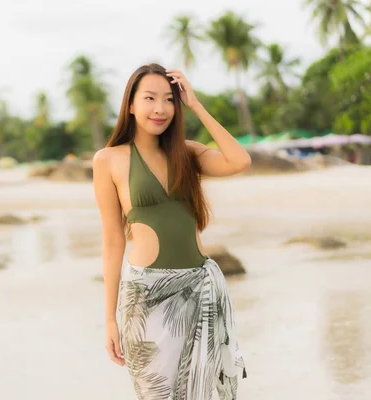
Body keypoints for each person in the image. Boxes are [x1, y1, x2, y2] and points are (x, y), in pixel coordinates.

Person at [92, 63, 251, 399]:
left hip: (199, 289)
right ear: (131, 105)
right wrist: (109, 319)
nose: (160, 108)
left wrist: (196, 105)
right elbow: (112, 241)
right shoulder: (108, 160)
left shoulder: (188, 153)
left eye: (169, 100)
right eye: (150, 98)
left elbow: (239, 160)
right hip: (145, 297)